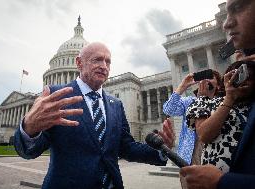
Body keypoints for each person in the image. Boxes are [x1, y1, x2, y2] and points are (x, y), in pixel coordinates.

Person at [14, 42, 175, 189]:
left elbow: (126, 148)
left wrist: (162, 150)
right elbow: (29, 151)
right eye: (97, 60)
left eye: (108, 61)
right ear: (79, 63)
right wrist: (29, 128)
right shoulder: (57, 96)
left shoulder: (116, 105)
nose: (104, 66)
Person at [180, 0, 255, 188]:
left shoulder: (237, 97)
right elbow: (203, 133)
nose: (226, 24)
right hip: (196, 162)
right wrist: (184, 87)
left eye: (213, 77)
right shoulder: (199, 102)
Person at [164, 71, 222, 189]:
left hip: (215, 152)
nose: (206, 80)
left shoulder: (223, 102)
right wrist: (183, 86)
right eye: (204, 78)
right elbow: (168, 110)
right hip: (191, 152)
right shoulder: (189, 101)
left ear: (218, 85)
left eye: (210, 77)